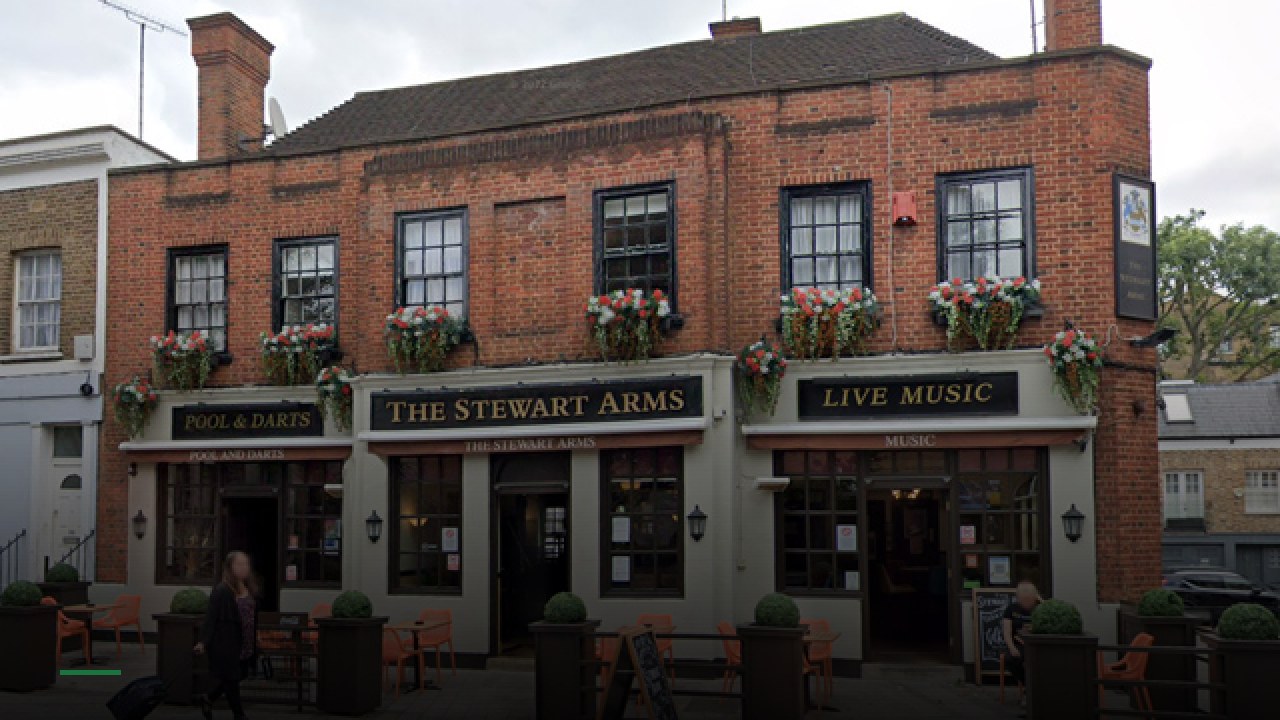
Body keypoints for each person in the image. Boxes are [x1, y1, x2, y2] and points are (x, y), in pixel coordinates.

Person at [194, 551, 259, 720]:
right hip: (227, 642)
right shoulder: (222, 590)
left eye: (246, 564)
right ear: (230, 567)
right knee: (231, 677)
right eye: (239, 564)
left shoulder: (249, 588)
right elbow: (211, 617)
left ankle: (209, 698)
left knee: (239, 675)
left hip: (245, 641)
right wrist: (203, 642)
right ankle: (239, 714)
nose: (243, 568)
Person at [1001, 581, 1042, 706]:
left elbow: (1052, 615)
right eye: (1023, 599)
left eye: (1029, 599)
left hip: (1037, 645)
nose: (1026, 603)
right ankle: (1028, 686)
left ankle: (1033, 690)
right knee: (1010, 659)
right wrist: (1012, 647)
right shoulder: (1011, 609)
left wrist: (1041, 601)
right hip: (1018, 644)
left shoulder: (1041, 608)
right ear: (1018, 598)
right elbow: (1006, 632)